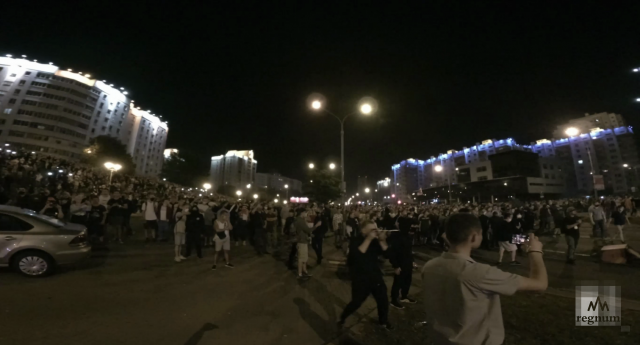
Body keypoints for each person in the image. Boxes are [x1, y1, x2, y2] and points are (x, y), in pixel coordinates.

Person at [421, 213, 548, 345]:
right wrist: (535, 252)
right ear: (474, 237)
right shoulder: (480, 273)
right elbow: (540, 284)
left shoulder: (429, 266)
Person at [338, 220, 393, 330]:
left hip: (374, 275)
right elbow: (357, 256)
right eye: (373, 229)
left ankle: (383, 321)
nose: (376, 231)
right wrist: (368, 239)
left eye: (376, 229)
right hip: (360, 277)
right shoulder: (355, 240)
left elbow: (388, 255)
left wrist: (382, 241)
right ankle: (343, 317)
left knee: (383, 300)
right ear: (364, 230)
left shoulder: (375, 241)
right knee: (357, 302)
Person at [388, 227, 416, 309]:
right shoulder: (397, 238)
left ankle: (404, 296)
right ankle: (394, 300)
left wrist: (412, 261)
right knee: (398, 282)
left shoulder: (408, 238)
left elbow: (409, 251)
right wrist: (395, 266)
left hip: (407, 263)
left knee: (407, 280)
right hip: (400, 263)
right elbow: (392, 253)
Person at [294, 208, 312, 279]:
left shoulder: (300, 220)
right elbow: (307, 230)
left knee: (304, 258)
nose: (306, 214)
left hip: (302, 240)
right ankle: (300, 274)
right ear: (302, 213)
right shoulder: (300, 221)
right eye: (305, 213)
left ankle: (304, 271)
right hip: (301, 241)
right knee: (301, 258)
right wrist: (316, 226)